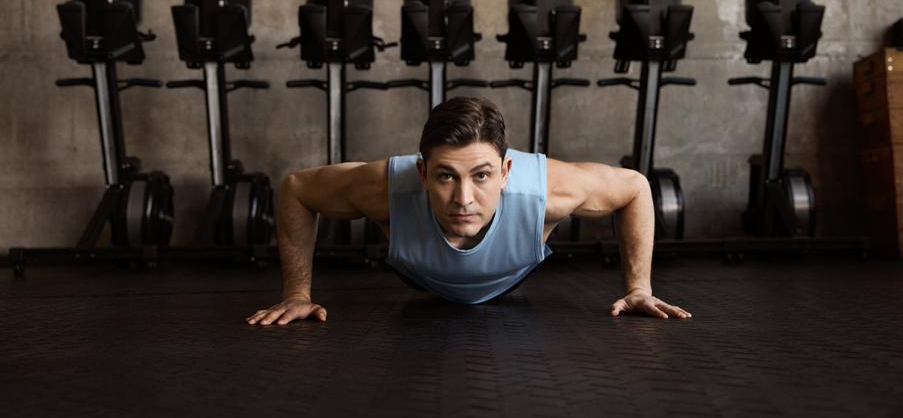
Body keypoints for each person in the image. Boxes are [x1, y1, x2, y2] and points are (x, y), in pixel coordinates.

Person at [247, 96, 692, 325]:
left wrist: (639, 288)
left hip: (509, 273)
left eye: (481, 176)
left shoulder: (548, 191)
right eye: (445, 177)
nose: (463, 198)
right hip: (420, 273)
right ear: (422, 173)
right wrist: (297, 295)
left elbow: (635, 187)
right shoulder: (384, 188)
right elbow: (297, 188)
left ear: (505, 171)